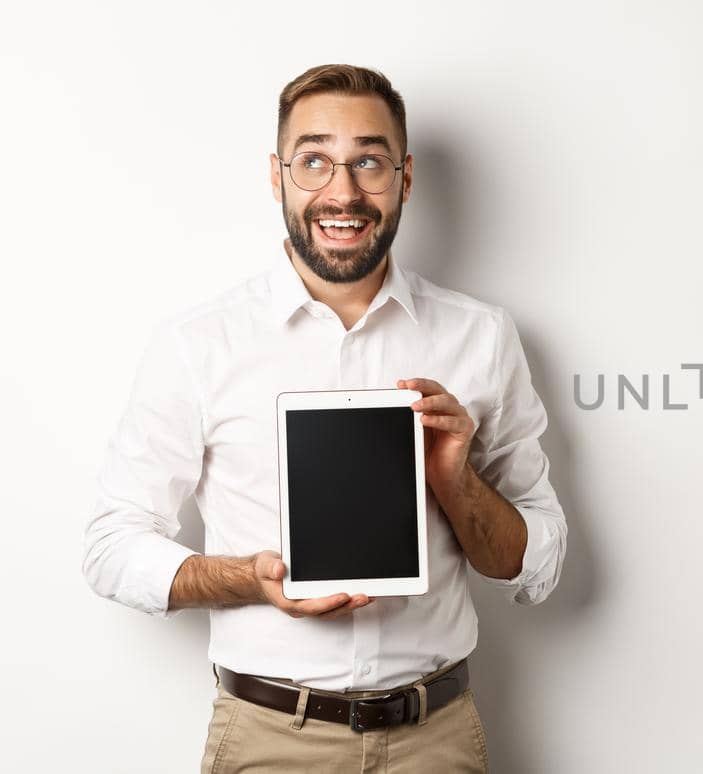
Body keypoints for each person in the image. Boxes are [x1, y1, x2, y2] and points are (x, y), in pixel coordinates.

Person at [80, 63, 568, 772]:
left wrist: (455, 483)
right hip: (270, 738)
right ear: (278, 177)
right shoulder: (199, 343)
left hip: (436, 738)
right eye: (314, 161)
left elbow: (535, 567)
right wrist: (247, 577)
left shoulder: (482, 337)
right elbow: (110, 546)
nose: (342, 191)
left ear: (404, 178)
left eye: (368, 161)